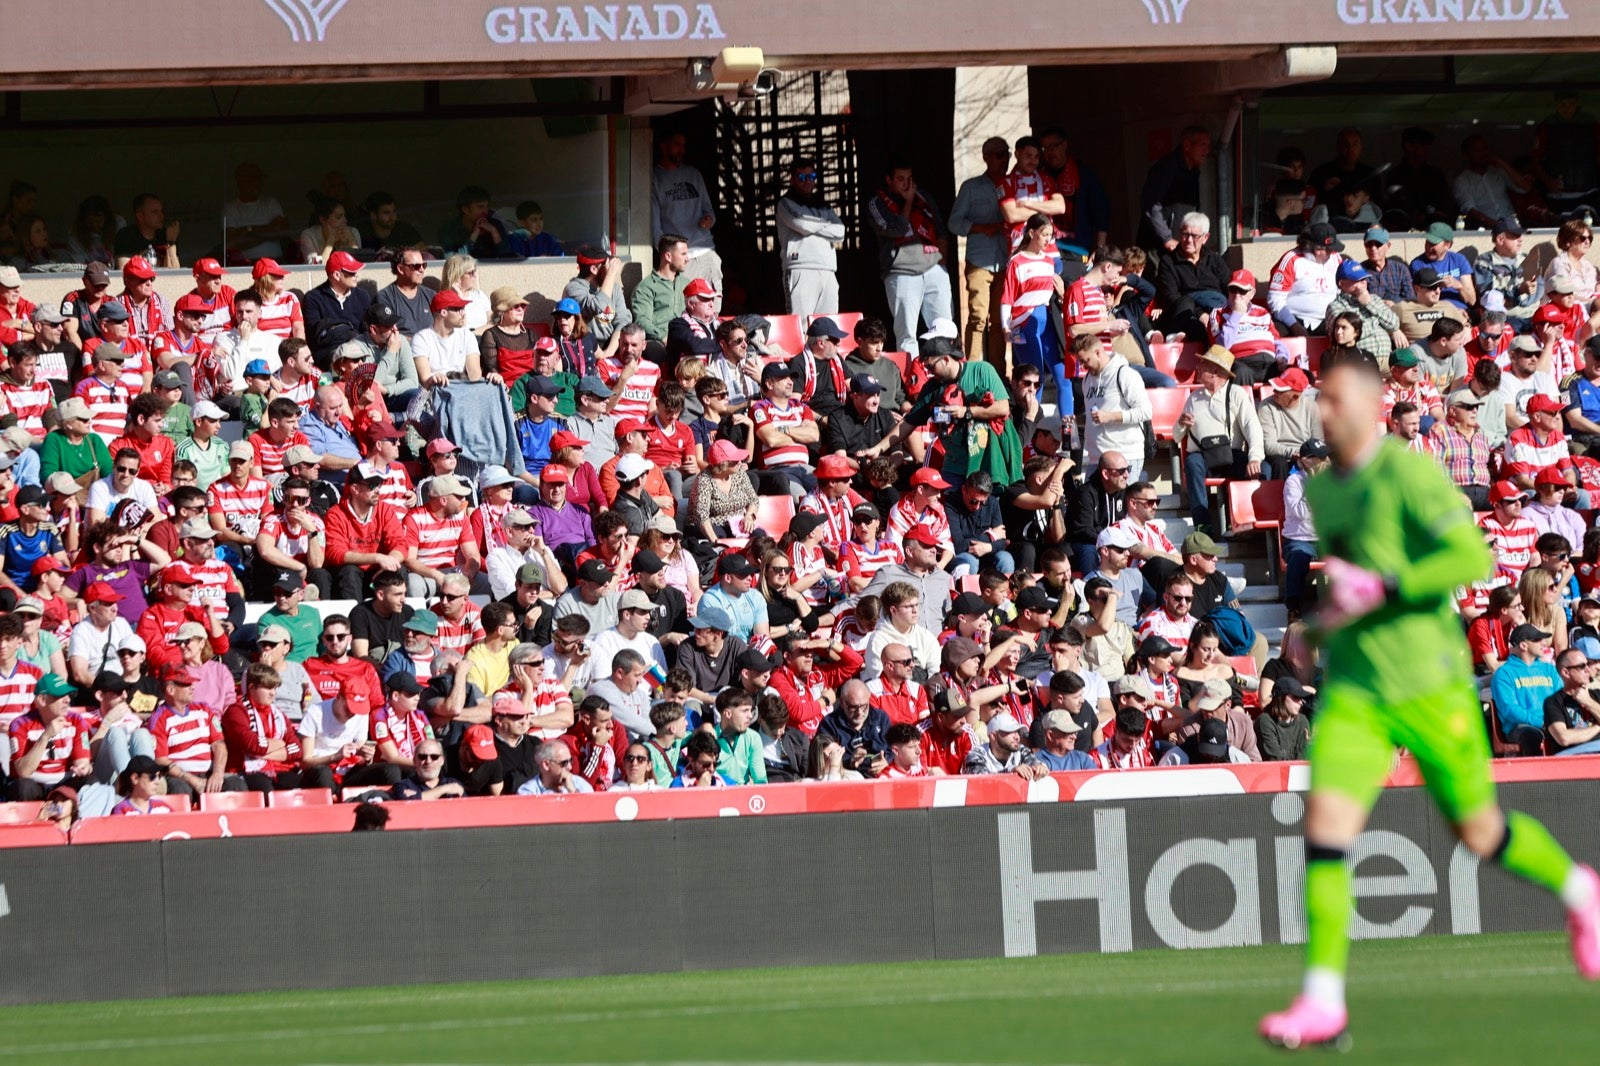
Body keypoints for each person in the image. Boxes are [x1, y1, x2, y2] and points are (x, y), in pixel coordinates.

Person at [1258, 358, 1600, 1049]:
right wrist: (1327, 624)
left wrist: (1386, 586)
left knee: (1480, 833)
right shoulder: (1325, 495)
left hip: (1429, 684)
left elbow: (1467, 557)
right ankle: (1324, 999)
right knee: (1324, 837)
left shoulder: (1409, 472)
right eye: (1323, 400)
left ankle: (1581, 892)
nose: (1330, 410)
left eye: (1341, 398)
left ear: (1376, 404)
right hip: (1356, 689)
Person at [866, 159, 952, 357]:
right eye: (900, 179)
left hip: (934, 269)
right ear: (889, 180)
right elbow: (897, 229)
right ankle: (912, 383)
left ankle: (945, 379)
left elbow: (941, 231)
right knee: (907, 335)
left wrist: (942, 266)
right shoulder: (877, 203)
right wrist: (908, 201)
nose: (906, 183)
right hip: (901, 272)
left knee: (944, 330)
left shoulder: (925, 197)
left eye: (909, 178)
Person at [1175, 347, 1262, 534]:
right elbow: (1176, 436)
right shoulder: (1193, 398)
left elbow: (1252, 427)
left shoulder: (1237, 393)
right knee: (1192, 463)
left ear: (1215, 371)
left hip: (1231, 455)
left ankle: (1240, 521)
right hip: (1203, 457)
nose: (1197, 367)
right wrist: (1182, 424)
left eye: (1202, 364)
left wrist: (1255, 457)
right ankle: (1202, 524)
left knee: (1262, 469)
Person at [947, 136, 1010, 365]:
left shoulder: (1013, 183)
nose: (1005, 160)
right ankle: (972, 371)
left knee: (999, 321)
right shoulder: (971, 187)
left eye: (1007, 154)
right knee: (977, 318)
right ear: (986, 158)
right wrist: (981, 227)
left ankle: (998, 376)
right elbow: (954, 223)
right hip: (979, 260)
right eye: (1000, 155)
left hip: (1006, 260)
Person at [776, 158, 845, 316]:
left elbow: (841, 231)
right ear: (792, 179)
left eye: (811, 177)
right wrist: (827, 224)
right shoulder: (785, 203)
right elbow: (801, 223)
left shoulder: (823, 204)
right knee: (801, 326)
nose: (807, 181)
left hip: (828, 269)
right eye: (801, 178)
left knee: (828, 326)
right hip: (800, 267)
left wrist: (813, 226)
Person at [651, 132, 720, 288]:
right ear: (663, 146)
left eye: (684, 145)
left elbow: (709, 211)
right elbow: (655, 228)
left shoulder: (693, 174)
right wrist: (668, 257)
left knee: (713, 309)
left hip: (706, 252)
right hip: (680, 260)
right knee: (684, 310)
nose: (682, 150)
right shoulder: (654, 179)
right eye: (677, 145)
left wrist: (708, 219)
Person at [1138, 126, 1209, 252]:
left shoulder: (1193, 171)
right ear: (1187, 145)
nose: (1206, 150)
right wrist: (1167, 239)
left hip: (1181, 245)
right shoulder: (1166, 168)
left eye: (1208, 146)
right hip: (1158, 246)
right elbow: (1151, 206)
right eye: (1202, 145)